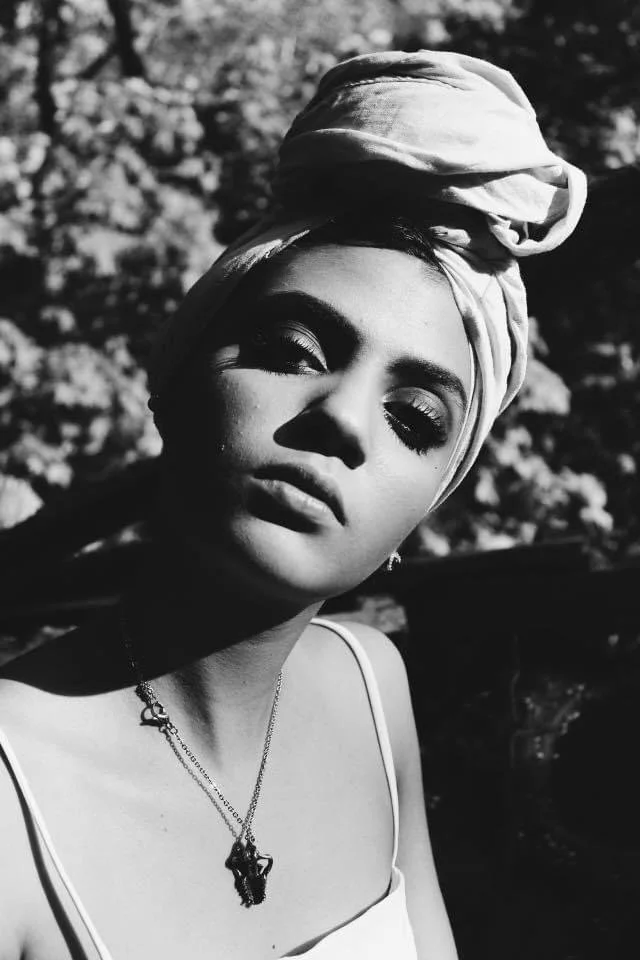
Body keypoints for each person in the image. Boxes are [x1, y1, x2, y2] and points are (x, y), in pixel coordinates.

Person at [0, 50, 586, 960]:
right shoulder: (13, 783)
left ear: (429, 502)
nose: (345, 419)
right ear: (177, 380)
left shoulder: (370, 685)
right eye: (291, 349)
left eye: (415, 416)